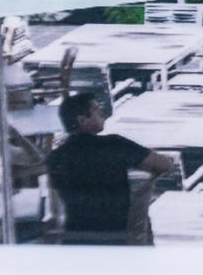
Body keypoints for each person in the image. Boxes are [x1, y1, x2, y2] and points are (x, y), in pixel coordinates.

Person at [46, 92, 176, 244]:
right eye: (95, 109)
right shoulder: (115, 144)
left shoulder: (56, 157)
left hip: (75, 241)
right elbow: (164, 165)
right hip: (117, 238)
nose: (102, 113)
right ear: (82, 120)